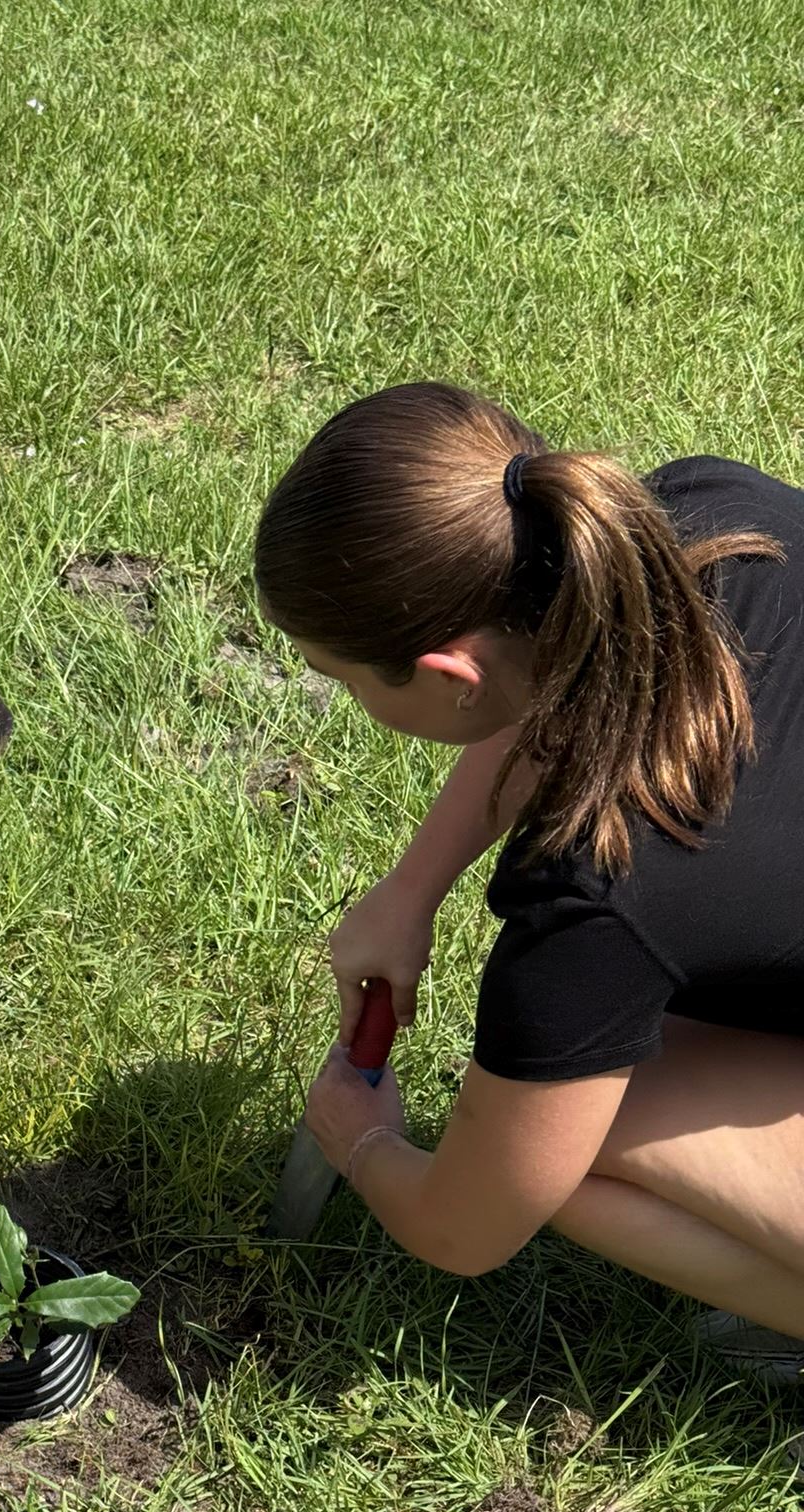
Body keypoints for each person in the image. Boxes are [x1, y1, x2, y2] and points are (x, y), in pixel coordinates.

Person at [255, 381, 804, 1379]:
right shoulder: (697, 516)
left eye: (344, 679)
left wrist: (364, 1141)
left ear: (447, 676)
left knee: (558, 1149)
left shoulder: (600, 897)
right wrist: (410, 889)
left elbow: (463, 1229)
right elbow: (549, 689)